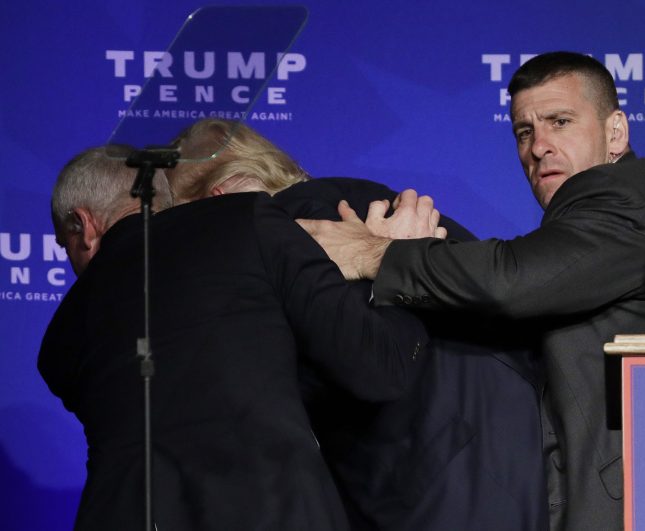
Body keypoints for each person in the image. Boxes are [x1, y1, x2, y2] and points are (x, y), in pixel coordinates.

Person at [297, 51, 645, 530]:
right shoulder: (624, 209)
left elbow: (510, 282)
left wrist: (373, 253)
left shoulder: (621, 194)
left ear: (616, 132)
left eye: (560, 122)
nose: (539, 146)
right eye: (524, 131)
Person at [166, 118, 549, 530]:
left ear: (219, 199)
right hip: (500, 453)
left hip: (439, 480)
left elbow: (363, 362)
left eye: (187, 221)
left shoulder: (303, 227)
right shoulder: (350, 199)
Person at [39, 146, 428, 530]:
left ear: (83, 226)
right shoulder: (246, 219)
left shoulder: (59, 339)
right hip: (275, 511)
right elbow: (379, 369)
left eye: (64, 245)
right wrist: (401, 263)